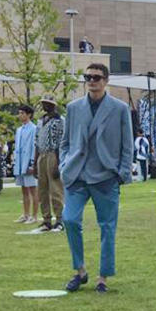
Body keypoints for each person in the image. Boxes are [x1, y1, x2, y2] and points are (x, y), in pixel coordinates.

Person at [60, 62, 134, 294]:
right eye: (88, 77)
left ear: (106, 80)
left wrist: (121, 174)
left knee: (107, 227)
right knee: (69, 220)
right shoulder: (73, 108)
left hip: (106, 176)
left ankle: (103, 277)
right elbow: (65, 142)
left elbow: (127, 144)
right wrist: (64, 164)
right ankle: (80, 271)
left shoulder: (119, 108)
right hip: (77, 175)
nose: (92, 81)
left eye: (97, 77)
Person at [35, 97, 65, 232]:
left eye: (46, 103)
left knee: (55, 189)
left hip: (53, 154)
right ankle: (46, 219)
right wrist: (35, 161)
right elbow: (37, 141)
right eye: (43, 103)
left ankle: (59, 219)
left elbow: (60, 142)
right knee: (42, 189)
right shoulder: (40, 121)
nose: (43, 105)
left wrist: (58, 163)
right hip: (42, 154)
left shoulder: (59, 121)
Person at [13, 105, 39, 223]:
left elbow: (34, 147)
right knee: (24, 190)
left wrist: (32, 164)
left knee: (33, 190)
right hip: (20, 163)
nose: (20, 115)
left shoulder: (34, 128)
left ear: (29, 114)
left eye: (22, 113)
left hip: (28, 163)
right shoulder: (19, 130)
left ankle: (34, 216)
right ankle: (26, 214)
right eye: (19, 113)